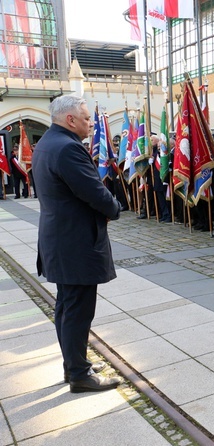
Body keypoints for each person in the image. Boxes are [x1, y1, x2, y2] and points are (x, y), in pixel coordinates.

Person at [31, 95, 122, 393]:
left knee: (67, 308)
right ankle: (80, 375)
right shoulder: (68, 148)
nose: (90, 123)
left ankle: (74, 363)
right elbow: (94, 192)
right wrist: (114, 209)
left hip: (62, 239)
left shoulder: (48, 142)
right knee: (77, 310)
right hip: (75, 243)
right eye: (86, 118)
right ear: (70, 120)